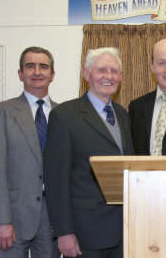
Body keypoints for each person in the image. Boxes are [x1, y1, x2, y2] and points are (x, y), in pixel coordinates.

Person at [44, 47, 134, 258]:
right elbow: (56, 180)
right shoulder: (64, 116)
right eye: (102, 70)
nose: (109, 76)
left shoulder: (123, 115)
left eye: (114, 71)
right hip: (85, 233)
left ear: (121, 77)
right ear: (86, 74)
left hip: (124, 230)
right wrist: (64, 232)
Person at [0, 46, 59, 258]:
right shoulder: (1, 112)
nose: (37, 72)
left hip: (52, 219)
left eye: (43, 67)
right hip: (13, 218)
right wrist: (0, 221)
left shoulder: (63, 115)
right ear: (20, 74)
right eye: (30, 66)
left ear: (52, 75)